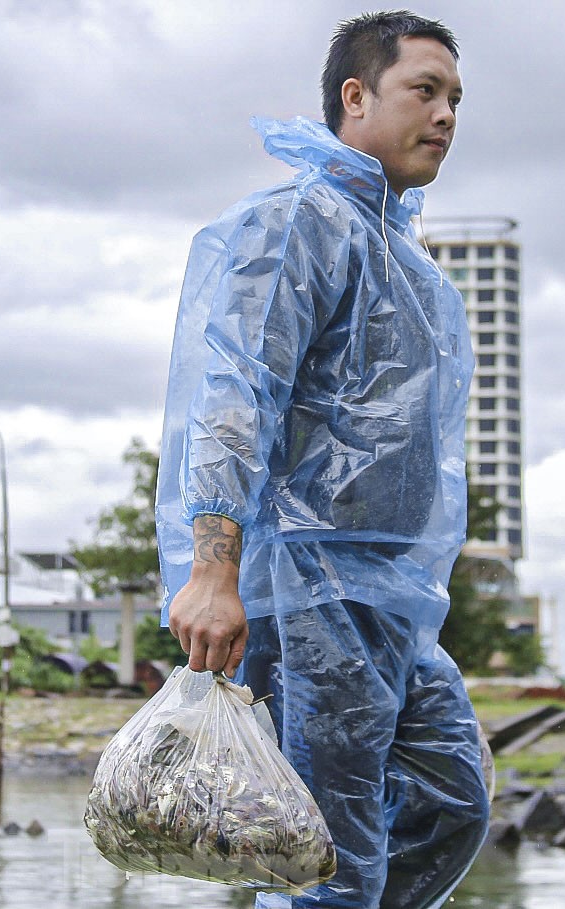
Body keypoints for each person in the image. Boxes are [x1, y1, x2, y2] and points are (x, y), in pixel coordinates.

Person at [155, 10, 489, 908]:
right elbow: (234, 395)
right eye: (424, 90)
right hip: (311, 590)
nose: (446, 114)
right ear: (355, 96)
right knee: (332, 855)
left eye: (455, 97)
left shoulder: (405, 255)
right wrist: (213, 568)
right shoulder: (298, 223)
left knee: (450, 802)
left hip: (388, 596)